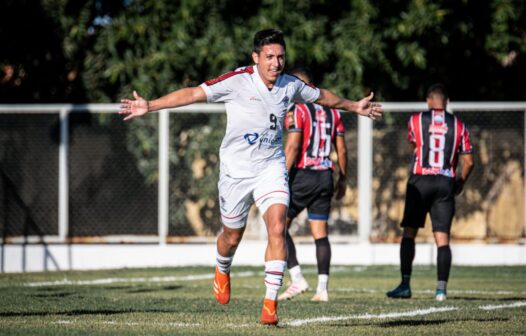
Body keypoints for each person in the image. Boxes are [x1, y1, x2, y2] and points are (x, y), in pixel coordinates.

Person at [120, 28, 383, 325]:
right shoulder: (237, 81)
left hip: (270, 168)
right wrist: (151, 105)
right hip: (236, 172)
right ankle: (222, 267)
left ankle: (270, 304)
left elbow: (322, 97)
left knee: (277, 225)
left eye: (281, 57)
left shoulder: (290, 85)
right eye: (269, 57)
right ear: (256, 57)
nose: (276, 63)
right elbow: (194, 93)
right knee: (231, 237)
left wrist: (353, 106)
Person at [386, 83, 474, 301]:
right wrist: (460, 181)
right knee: (442, 239)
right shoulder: (459, 125)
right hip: (445, 181)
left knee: (409, 233)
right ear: (448, 102)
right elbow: (469, 161)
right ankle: (441, 290)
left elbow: (413, 146)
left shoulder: (415, 120)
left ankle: (405, 284)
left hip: (420, 181)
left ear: (428, 101)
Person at [277, 67, 347, 302]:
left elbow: (293, 146)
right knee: (320, 234)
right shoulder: (333, 113)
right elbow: (342, 149)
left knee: (277, 225)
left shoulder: (298, 109)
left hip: (303, 176)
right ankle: (323, 289)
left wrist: (282, 175)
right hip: (325, 176)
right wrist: (343, 178)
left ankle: (297, 279)